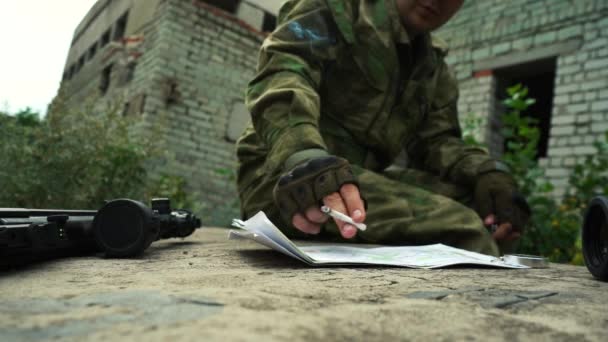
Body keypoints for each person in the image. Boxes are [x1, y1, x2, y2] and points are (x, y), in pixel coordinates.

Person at [235, 0, 530, 256]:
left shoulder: (432, 67)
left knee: (485, 213)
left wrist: (487, 172)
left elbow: (438, 142)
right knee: (462, 227)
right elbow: (283, 74)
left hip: (359, 183)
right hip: (286, 181)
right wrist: (304, 155)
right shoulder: (336, 10)